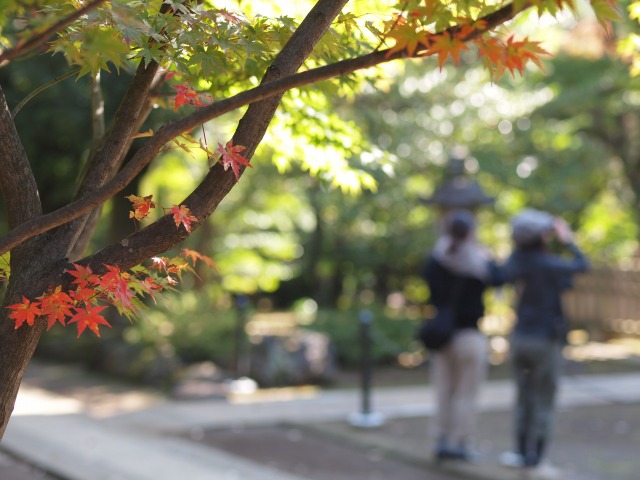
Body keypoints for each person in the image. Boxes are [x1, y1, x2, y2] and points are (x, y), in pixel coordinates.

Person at [502, 208, 590, 469]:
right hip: (544, 341)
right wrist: (568, 240)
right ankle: (535, 457)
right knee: (544, 399)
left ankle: (520, 452)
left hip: (520, 338)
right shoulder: (549, 265)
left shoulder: (517, 262)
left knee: (523, 396)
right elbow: (582, 265)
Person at [421, 209, 504, 461]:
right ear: (470, 233)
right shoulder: (478, 261)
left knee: (444, 390)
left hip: (442, 335)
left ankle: (442, 439)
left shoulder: (435, 259)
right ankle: (460, 442)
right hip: (469, 335)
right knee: (466, 392)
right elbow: (500, 277)